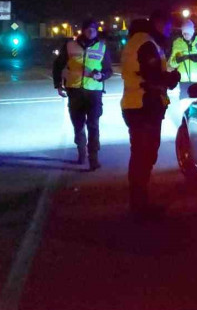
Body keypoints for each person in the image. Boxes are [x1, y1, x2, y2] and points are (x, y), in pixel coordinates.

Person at [121, 11, 180, 218]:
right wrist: (172, 78)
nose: (169, 30)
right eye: (167, 26)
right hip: (143, 106)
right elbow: (152, 74)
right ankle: (139, 207)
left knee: (143, 155)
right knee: (143, 155)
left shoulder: (140, 41)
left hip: (140, 105)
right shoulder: (146, 43)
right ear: (158, 23)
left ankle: (140, 203)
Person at [53, 19, 113, 170]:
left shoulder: (102, 47)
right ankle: (81, 151)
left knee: (93, 124)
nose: (90, 31)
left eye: (93, 29)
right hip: (75, 91)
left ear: (96, 30)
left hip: (94, 92)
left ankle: (93, 157)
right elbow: (58, 65)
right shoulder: (70, 45)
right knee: (78, 124)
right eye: (88, 29)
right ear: (82, 30)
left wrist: (101, 76)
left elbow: (108, 70)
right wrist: (58, 85)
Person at [169, 19, 197, 99]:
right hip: (183, 82)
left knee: (196, 106)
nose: (186, 35)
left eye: (188, 33)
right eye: (184, 33)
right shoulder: (177, 43)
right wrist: (178, 59)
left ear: (192, 31)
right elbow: (172, 63)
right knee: (184, 107)